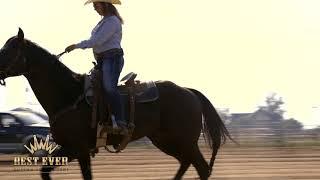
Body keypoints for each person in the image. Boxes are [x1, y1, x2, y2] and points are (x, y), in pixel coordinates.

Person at [65, 0, 128, 135]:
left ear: (105, 4)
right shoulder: (104, 22)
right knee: (94, 88)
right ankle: (104, 120)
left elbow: (96, 41)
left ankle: (121, 122)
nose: (94, 8)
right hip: (103, 60)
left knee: (110, 87)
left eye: (96, 5)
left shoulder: (112, 21)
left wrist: (76, 46)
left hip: (112, 59)